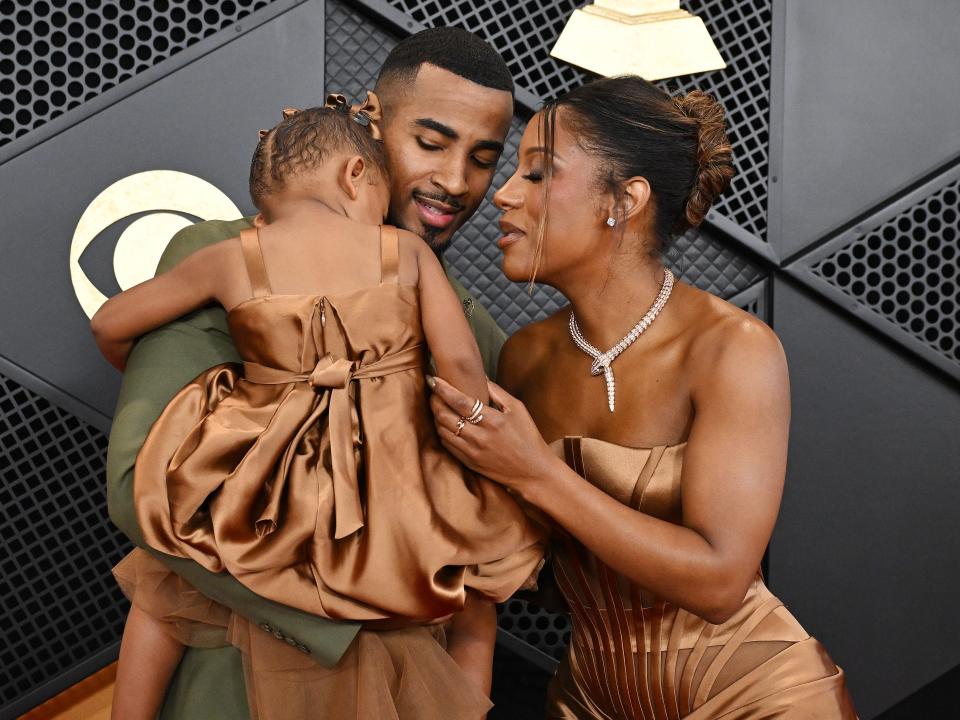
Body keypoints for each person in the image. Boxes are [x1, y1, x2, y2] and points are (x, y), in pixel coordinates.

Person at [105, 27, 524, 719]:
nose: (455, 181)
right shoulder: (223, 254)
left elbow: (482, 560)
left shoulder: (473, 329)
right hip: (232, 692)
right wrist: (369, 605)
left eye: (482, 159)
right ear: (371, 121)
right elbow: (136, 485)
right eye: (431, 142)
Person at [428, 75, 859, 718]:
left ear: (625, 199)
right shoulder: (527, 357)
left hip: (756, 700)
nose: (504, 195)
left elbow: (719, 582)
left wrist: (537, 472)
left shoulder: (732, 349)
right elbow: (537, 571)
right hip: (588, 702)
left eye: (540, 174)